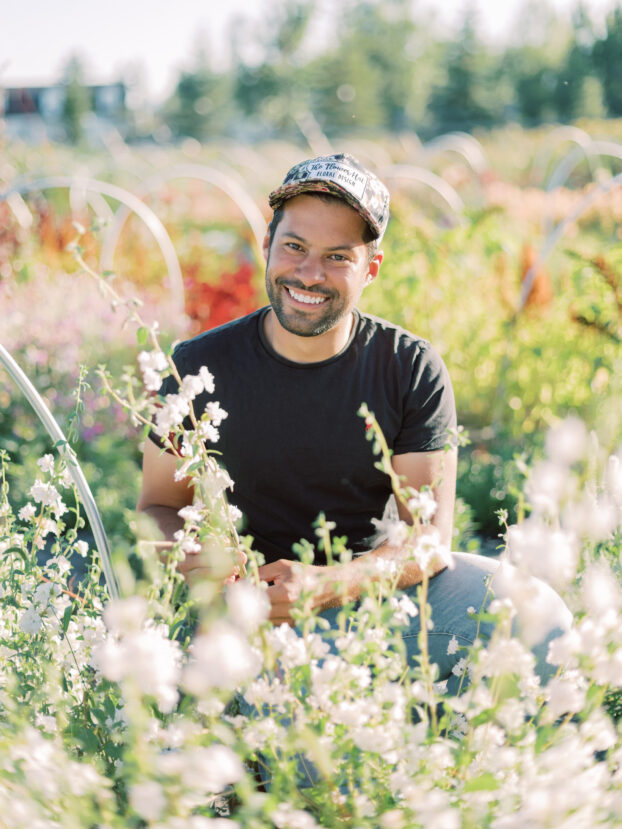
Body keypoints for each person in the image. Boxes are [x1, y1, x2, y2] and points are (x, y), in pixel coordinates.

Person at [137, 153, 571, 689]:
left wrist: (327, 585)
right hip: (239, 613)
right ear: (268, 245)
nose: (309, 274)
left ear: (371, 268)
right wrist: (190, 553)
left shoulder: (409, 368)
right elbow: (157, 507)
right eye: (294, 246)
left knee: (540, 619)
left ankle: (482, 759)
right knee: (291, 723)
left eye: (337, 257)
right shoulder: (196, 367)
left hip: (373, 599)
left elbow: (427, 539)